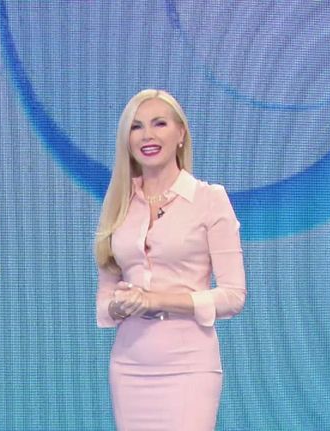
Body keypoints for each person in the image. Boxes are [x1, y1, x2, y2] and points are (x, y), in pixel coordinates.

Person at [95, 89, 246, 430]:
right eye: (136, 127)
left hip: (189, 366)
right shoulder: (119, 202)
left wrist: (157, 300)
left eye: (159, 124)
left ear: (181, 134)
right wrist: (121, 305)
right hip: (129, 367)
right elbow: (104, 302)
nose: (147, 135)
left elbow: (233, 296)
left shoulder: (209, 199)